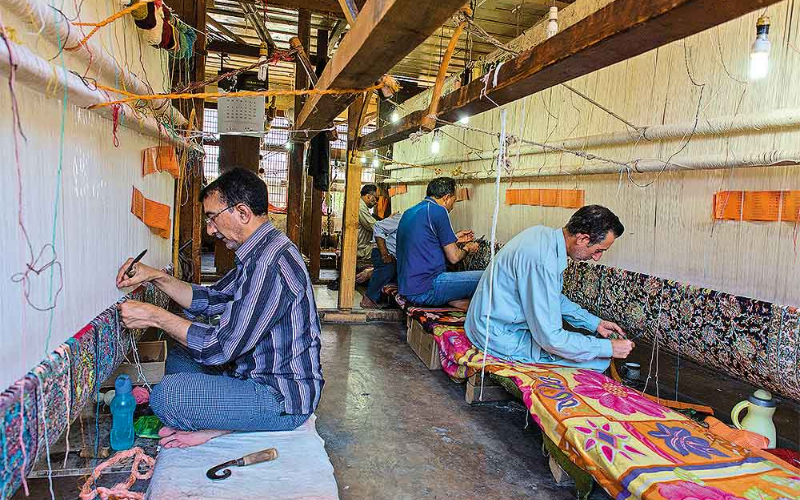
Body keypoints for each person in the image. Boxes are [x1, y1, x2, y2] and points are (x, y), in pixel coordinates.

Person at [115, 168, 324, 448]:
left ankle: (226, 424)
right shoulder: (262, 251)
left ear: (242, 212)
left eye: (212, 217)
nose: (210, 229)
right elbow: (211, 298)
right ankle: (226, 418)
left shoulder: (267, 264)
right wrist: (155, 276)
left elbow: (218, 348)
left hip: (281, 397)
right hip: (249, 373)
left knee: (168, 397)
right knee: (179, 355)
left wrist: (155, 317)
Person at [465, 205, 634, 372]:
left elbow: (551, 296)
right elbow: (552, 340)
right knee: (597, 361)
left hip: (486, 323)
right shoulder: (542, 261)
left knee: (587, 350)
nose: (597, 258)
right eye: (598, 250)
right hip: (497, 335)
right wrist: (609, 348)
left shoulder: (541, 235)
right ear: (583, 239)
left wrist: (595, 323)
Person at [396, 177, 480, 310]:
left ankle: (452, 299)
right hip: (426, 289)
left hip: (407, 287)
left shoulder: (410, 212)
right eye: (454, 200)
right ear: (446, 197)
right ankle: (459, 302)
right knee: (490, 277)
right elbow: (454, 257)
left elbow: (424, 241)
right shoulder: (439, 211)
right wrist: (468, 248)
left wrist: (455, 238)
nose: (453, 205)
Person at [360, 212, 402, 309]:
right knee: (388, 268)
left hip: (396, 257)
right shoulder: (401, 218)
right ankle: (368, 299)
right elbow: (377, 226)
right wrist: (384, 254)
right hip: (382, 252)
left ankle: (371, 273)